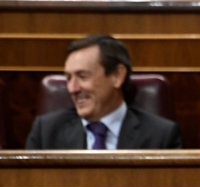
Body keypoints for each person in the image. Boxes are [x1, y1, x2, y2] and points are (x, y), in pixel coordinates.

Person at [26, 34, 182, 150]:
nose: (73, 88)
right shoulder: (45, 133)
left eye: (82, 76)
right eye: (68, 78)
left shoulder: (161, 136)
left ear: (117, 76)